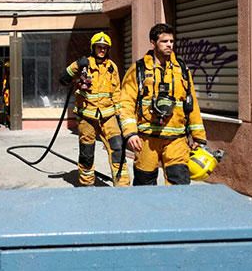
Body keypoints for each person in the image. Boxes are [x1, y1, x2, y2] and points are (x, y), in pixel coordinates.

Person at [119, 23, 207, 186]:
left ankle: (174, 212)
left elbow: (191, 103)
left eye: (171, 41)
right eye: (164, 41)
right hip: (147, 139)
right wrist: (131, 133)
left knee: (179, 184)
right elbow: (126, 103)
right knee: (145, 186)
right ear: (153, 42)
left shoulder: (182, 69)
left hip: (177, 140)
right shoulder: (138, 70)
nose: (169, 45)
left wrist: (198, 136)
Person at [59, 32, 129, 187]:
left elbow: (117, 92)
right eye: (99, 47)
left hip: (108, 115)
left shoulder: (112, 68)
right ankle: (87, 185)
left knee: (118, 148)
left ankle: (123, 185)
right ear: (93, 47)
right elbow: (63, 79)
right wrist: (77, 65)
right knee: (87, 153)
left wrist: (119, 115)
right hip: (87, 116)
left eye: (105, 48)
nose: (102, 50)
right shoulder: (84, 64)